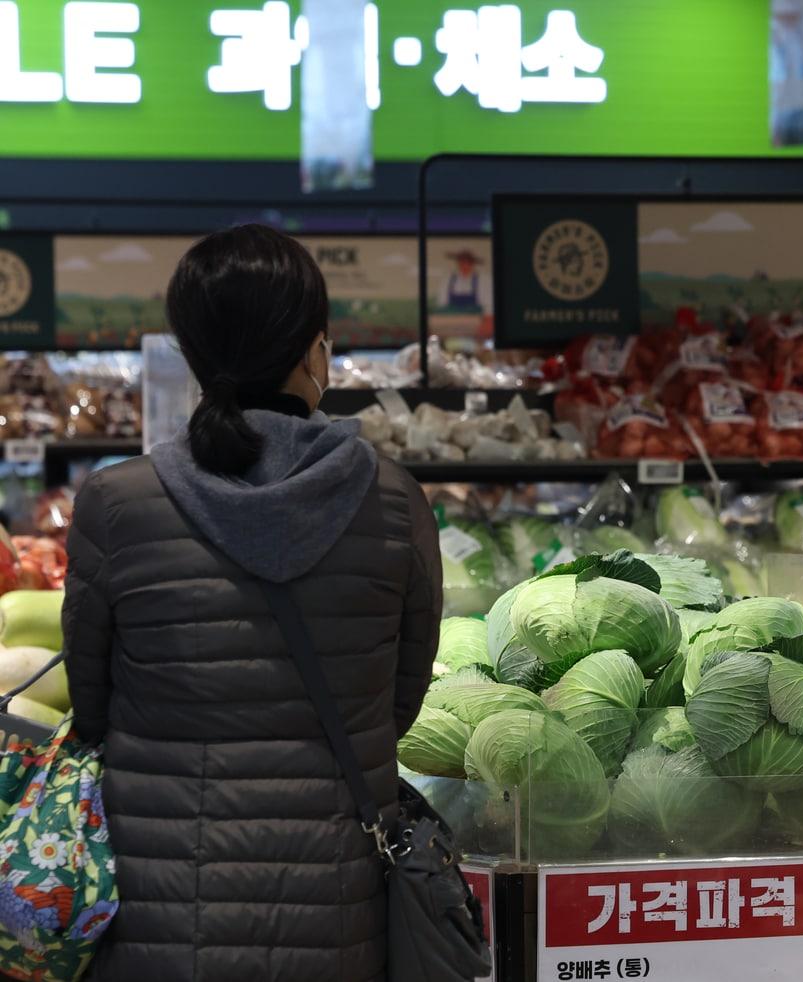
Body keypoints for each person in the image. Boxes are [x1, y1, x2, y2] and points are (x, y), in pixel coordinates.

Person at [63, 225, 443, 982]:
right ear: (314, 350)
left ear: (195, 354)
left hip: (158, 906)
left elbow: (94, 707)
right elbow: (397, 702)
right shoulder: (396, 504)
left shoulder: (116, 503)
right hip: (336, 904)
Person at [437, 247, 486, 313]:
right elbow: (442, 301)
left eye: (468, 263)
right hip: (452, 316)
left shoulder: (481, 280)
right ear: (458, 263)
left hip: (473, 316)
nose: (464, 266)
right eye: (462, 263)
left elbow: (483, 303)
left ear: (472, 264)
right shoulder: (448, 279)